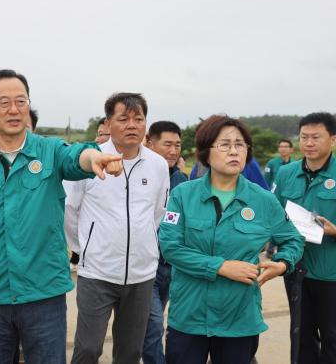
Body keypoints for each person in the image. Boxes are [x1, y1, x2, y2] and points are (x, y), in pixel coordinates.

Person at [0, 69, 123, 364]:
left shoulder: (49, 150)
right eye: (4, 102)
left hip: (44, 297)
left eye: (21, 101)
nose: (14, 110)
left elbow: (77, 157)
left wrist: (95, 158)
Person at [159, 115, 304, 364]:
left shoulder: (264, 201)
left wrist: (281, 264)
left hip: (239, 319)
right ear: (206, 152)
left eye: (240, 145)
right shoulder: (183, 194)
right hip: (189, 316)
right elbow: (170, 247)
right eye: (225, 144)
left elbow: (293, 240)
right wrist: (221, 267)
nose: (234, 151)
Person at [64, 93, 170, 364]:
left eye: (139, 119)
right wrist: (84, 248)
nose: (132, 125)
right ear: (109, 123)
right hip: (97, 273)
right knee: (87, 349)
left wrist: (145, 245)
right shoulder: (91, 160)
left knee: (130, 352)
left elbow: (158, 213)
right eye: (123, 119)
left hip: (142, 275)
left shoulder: (157, 165)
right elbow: (70, 211)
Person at [273, 112, 336, 363]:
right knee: (301, 336)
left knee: (332, 337)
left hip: (331, 274)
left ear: (332, 140)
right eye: (304, 137)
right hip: (297, 271)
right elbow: (272, 213)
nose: (309, 143)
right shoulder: (286, 174)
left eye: (316, 137)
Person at [142, 121, 188, 364]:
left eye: (177, 145)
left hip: (172, 266)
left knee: (164, 323)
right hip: (145, 266)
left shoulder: (182, 179)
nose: (173, 150)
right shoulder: (138, 174)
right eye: (167, 144)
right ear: (150, 143)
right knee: (153, 325)